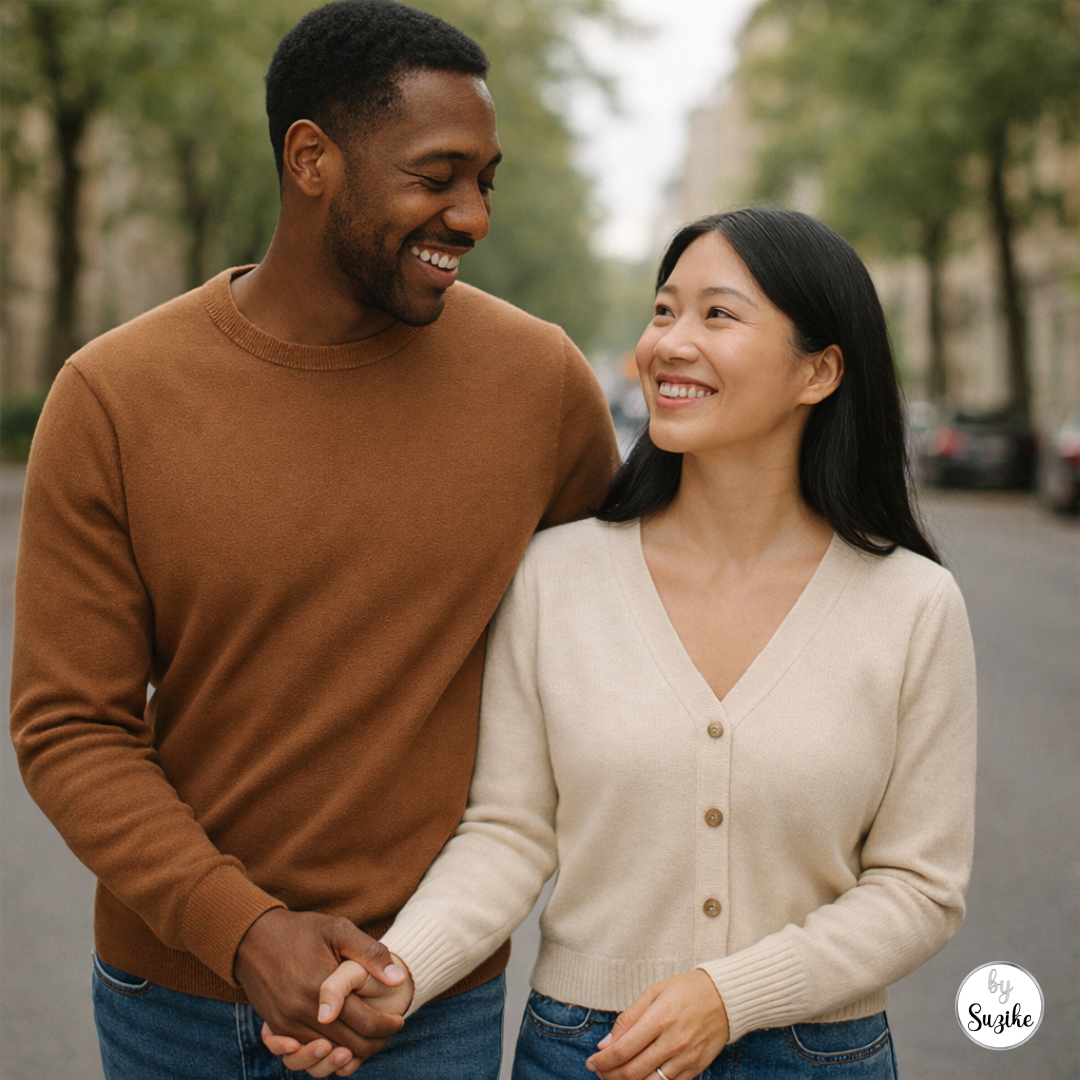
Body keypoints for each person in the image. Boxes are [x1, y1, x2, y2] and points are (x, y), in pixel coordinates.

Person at [8, 2, 619, 1078]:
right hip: (175, 1005)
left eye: (487, 179)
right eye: (438, 176)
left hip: (429, 999)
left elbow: (619, 666)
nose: (473, 215)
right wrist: (243, 931)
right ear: (311, 160)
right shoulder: (113, 397)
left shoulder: (542, 387)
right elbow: (71, 725)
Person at [265, 208, 977, 1079]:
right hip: (586, 1053)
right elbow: (509, 834)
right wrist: (397, 975)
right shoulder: (556, 576)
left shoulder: (912, 604)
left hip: (819, 1055)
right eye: (664, 310)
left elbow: (919, 889)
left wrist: (731, 995)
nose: (670, 343)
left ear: (820, 370)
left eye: (718, 315)